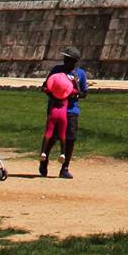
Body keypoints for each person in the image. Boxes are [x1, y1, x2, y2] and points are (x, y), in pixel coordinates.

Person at [38, 46, 89, 178]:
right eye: (65, 59)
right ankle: (44, 161)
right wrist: (54, 96)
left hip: (72, 110)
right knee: (52, 137)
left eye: (69, 59)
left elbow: (84, 93)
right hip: (56, 108)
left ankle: (65, 167)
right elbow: (46, 86)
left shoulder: (80, 74)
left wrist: (75, 93)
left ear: (75, 61)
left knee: (70, 138)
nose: (66, 61)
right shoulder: (56, 70)